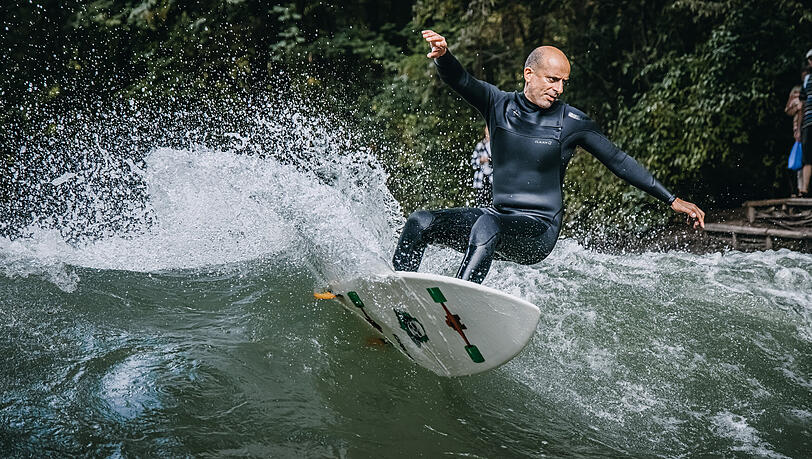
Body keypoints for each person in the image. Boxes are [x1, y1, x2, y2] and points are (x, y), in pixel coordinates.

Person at [392, 30, 706, 284]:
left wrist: (671, 199)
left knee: (487, 223)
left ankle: (455, 308)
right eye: (551, 80)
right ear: (529, 74)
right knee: (420, 222)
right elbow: (460, 80)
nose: (558, 89)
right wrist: (445, 57)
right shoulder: (497, 104)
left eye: (563, 83)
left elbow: (619, 160)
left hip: (538, 231)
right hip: (497, 219)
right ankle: (397, 295)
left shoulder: (572, 122)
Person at [799, 49, 812, 197]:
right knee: (807, 157)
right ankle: (804, 189)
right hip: (808, 122)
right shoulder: (807, 79)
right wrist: (798, 127)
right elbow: (802, 103)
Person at [470, 126, 492, 206]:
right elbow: (473, 162)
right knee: (480, 202)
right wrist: (480, 160)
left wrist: (490, 160)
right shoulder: (481, 145)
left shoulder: (496, 145)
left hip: (492, 179)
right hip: (481, 178)